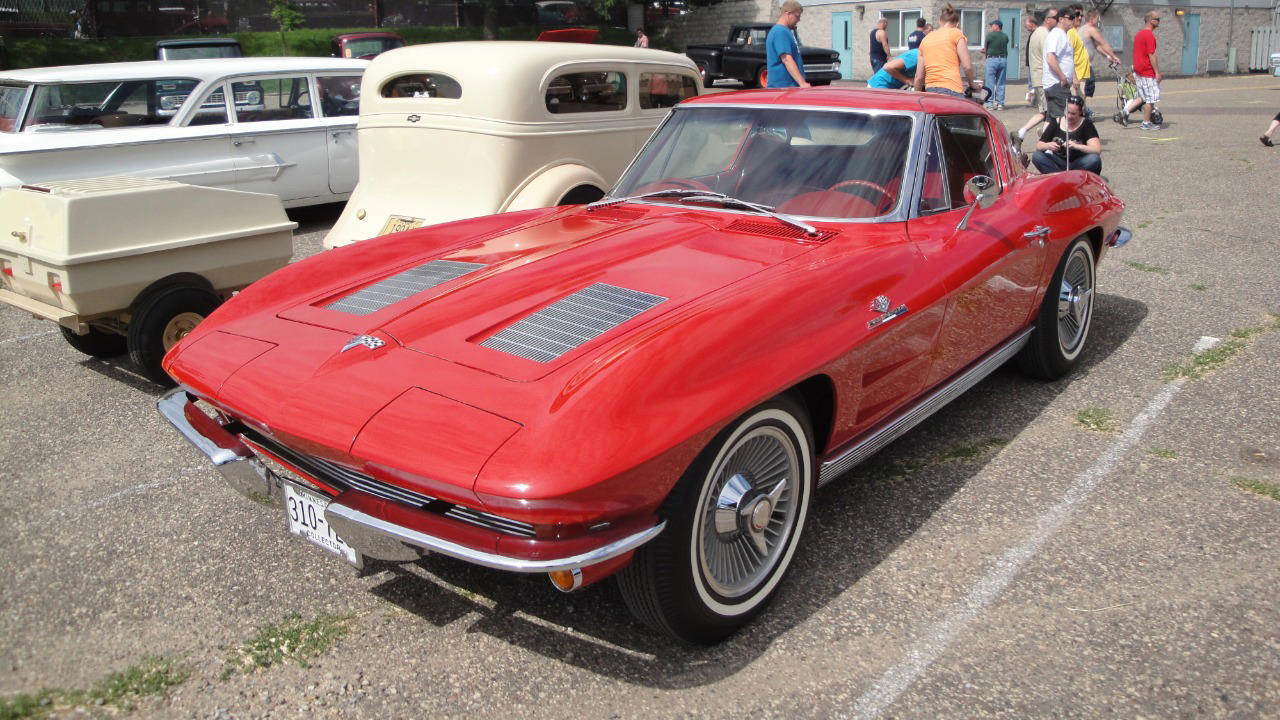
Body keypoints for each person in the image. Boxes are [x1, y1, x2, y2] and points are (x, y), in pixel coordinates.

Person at [914, 4, 979, 98]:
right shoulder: (957, 33)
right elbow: (967, 67)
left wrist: (917, 96)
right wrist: (972, 84)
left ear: (940, 21)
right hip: (952, 89)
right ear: (957, 24)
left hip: (931, 90)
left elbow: (919, 77)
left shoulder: (925, 40)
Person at [1013, 9, 1057, 145]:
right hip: (1044, 78)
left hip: (1038, 78)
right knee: (1051, 113)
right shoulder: (1044, 34)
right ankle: (1045, 139)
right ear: (1047, 19)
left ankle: (1021, 132)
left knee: (1044, 111)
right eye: (1056, 17)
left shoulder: (1037, 33)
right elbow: (1050, 57)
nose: (1058, 20)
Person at [1032, 95, 1102, 174]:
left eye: (1073, 114)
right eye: (1067, 112)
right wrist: (1048, 145)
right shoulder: (1056, 121)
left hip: (1079, 162)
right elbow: (1039, 145)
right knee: (1037, 156)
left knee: (1094, 159)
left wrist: (1077, 146)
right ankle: (1061, 176)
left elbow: (1096, 150)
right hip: (1058, 161)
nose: (1069, 116)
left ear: (1080, 112)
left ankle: (1066, 176)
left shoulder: (1086, 124)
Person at [1121, 11, 1161, 130]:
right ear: (1150, 20)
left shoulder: (1139, 34)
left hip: (1138, 71)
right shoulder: (1149, 35)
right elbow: (1151, 55)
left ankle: (1125, 112)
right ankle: (1146, 123)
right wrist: (1157, 72)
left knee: (1143, 96)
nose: (1159, 21)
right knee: (1151, 98)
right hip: (1147, 72)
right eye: (1157, 19)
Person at [1078, 9, 1122, 105]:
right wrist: (1114, 56)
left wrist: (1108, 56)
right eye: (1097, 18)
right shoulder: (1091, 29)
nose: (1098, 21)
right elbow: (1103, 43)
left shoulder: (1083, 28)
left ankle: (1082, 108)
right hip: (1083, 64)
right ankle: (1081, 109)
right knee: (1087, 86)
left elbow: (1097, 46)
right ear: (1092, 18)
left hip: (1084, 63)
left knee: (1086, 86)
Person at [767, 0, 809, 88]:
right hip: (783, 88)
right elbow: (786, 59)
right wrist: (802, 83)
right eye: (797, 16)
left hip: (787, 88)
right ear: (788, 14)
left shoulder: (785, 31)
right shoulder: (780, 32)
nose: (799, 20)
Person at [982, 19, 1008, 110]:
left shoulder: (990, 35)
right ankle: (1000, 103)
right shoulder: (1005, 36)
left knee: (990, 81)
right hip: (1003, 59)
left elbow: (985, 49)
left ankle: (989, 103)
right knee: (1001, 82)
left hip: (992, 59)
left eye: (992, 25)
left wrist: (984, 51)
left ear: (997, 26)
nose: (991, 27)